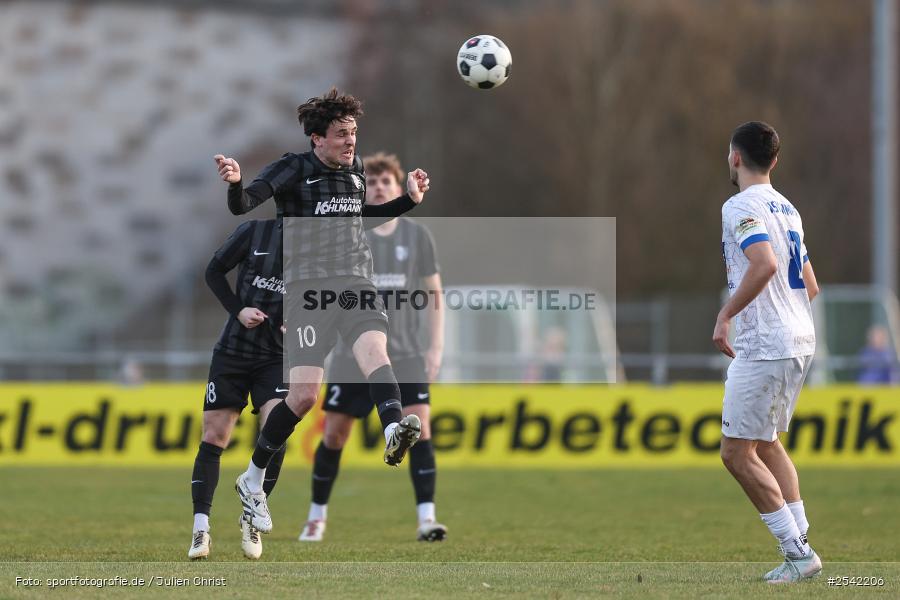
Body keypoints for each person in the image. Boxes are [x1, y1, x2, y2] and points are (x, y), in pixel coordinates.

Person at [213, 88, 430, 536]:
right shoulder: (293, 169)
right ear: (317, 139)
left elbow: (360, 216)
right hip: (308, 292)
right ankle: (252, 478)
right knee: (305, 397)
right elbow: (244, 205)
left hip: (355, 282)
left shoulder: (353, 169)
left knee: (375, 349)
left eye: (353, 134)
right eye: (341, 135)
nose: (351, 143)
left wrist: (408, 199)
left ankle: (392, 429)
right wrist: (236, 182)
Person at [298, 152, 446, 543]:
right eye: (374, 182)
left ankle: (426, 519)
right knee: (334, 436)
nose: (380, 187)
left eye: (387, 183)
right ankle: (316, 517)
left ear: (400, 189)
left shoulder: (417, 237)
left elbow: (434, 294)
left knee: (421, 429)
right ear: (365, 189)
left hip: (407, 352)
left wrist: (436, 348)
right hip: (352, 356)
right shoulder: (352, 231)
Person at [712, 121, 822, 583]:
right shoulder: (788, 208)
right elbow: (810, 285)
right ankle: (801, 549)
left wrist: (727, 314)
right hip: (800, 339)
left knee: (736, 453)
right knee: (767, 443)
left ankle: (798, 554)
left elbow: (765, 263)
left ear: (735, 157)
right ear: (773, 161)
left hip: (766, 345)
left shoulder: (741, 205)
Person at [189, 218, 287, 560]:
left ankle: (252, 517)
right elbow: (213, 272)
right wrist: (239, 309)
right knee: (214, 437)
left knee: (278, 429)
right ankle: (201, 529)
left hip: (276, 356)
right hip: (233, 352)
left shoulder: (321, 248)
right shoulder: (254, 232)